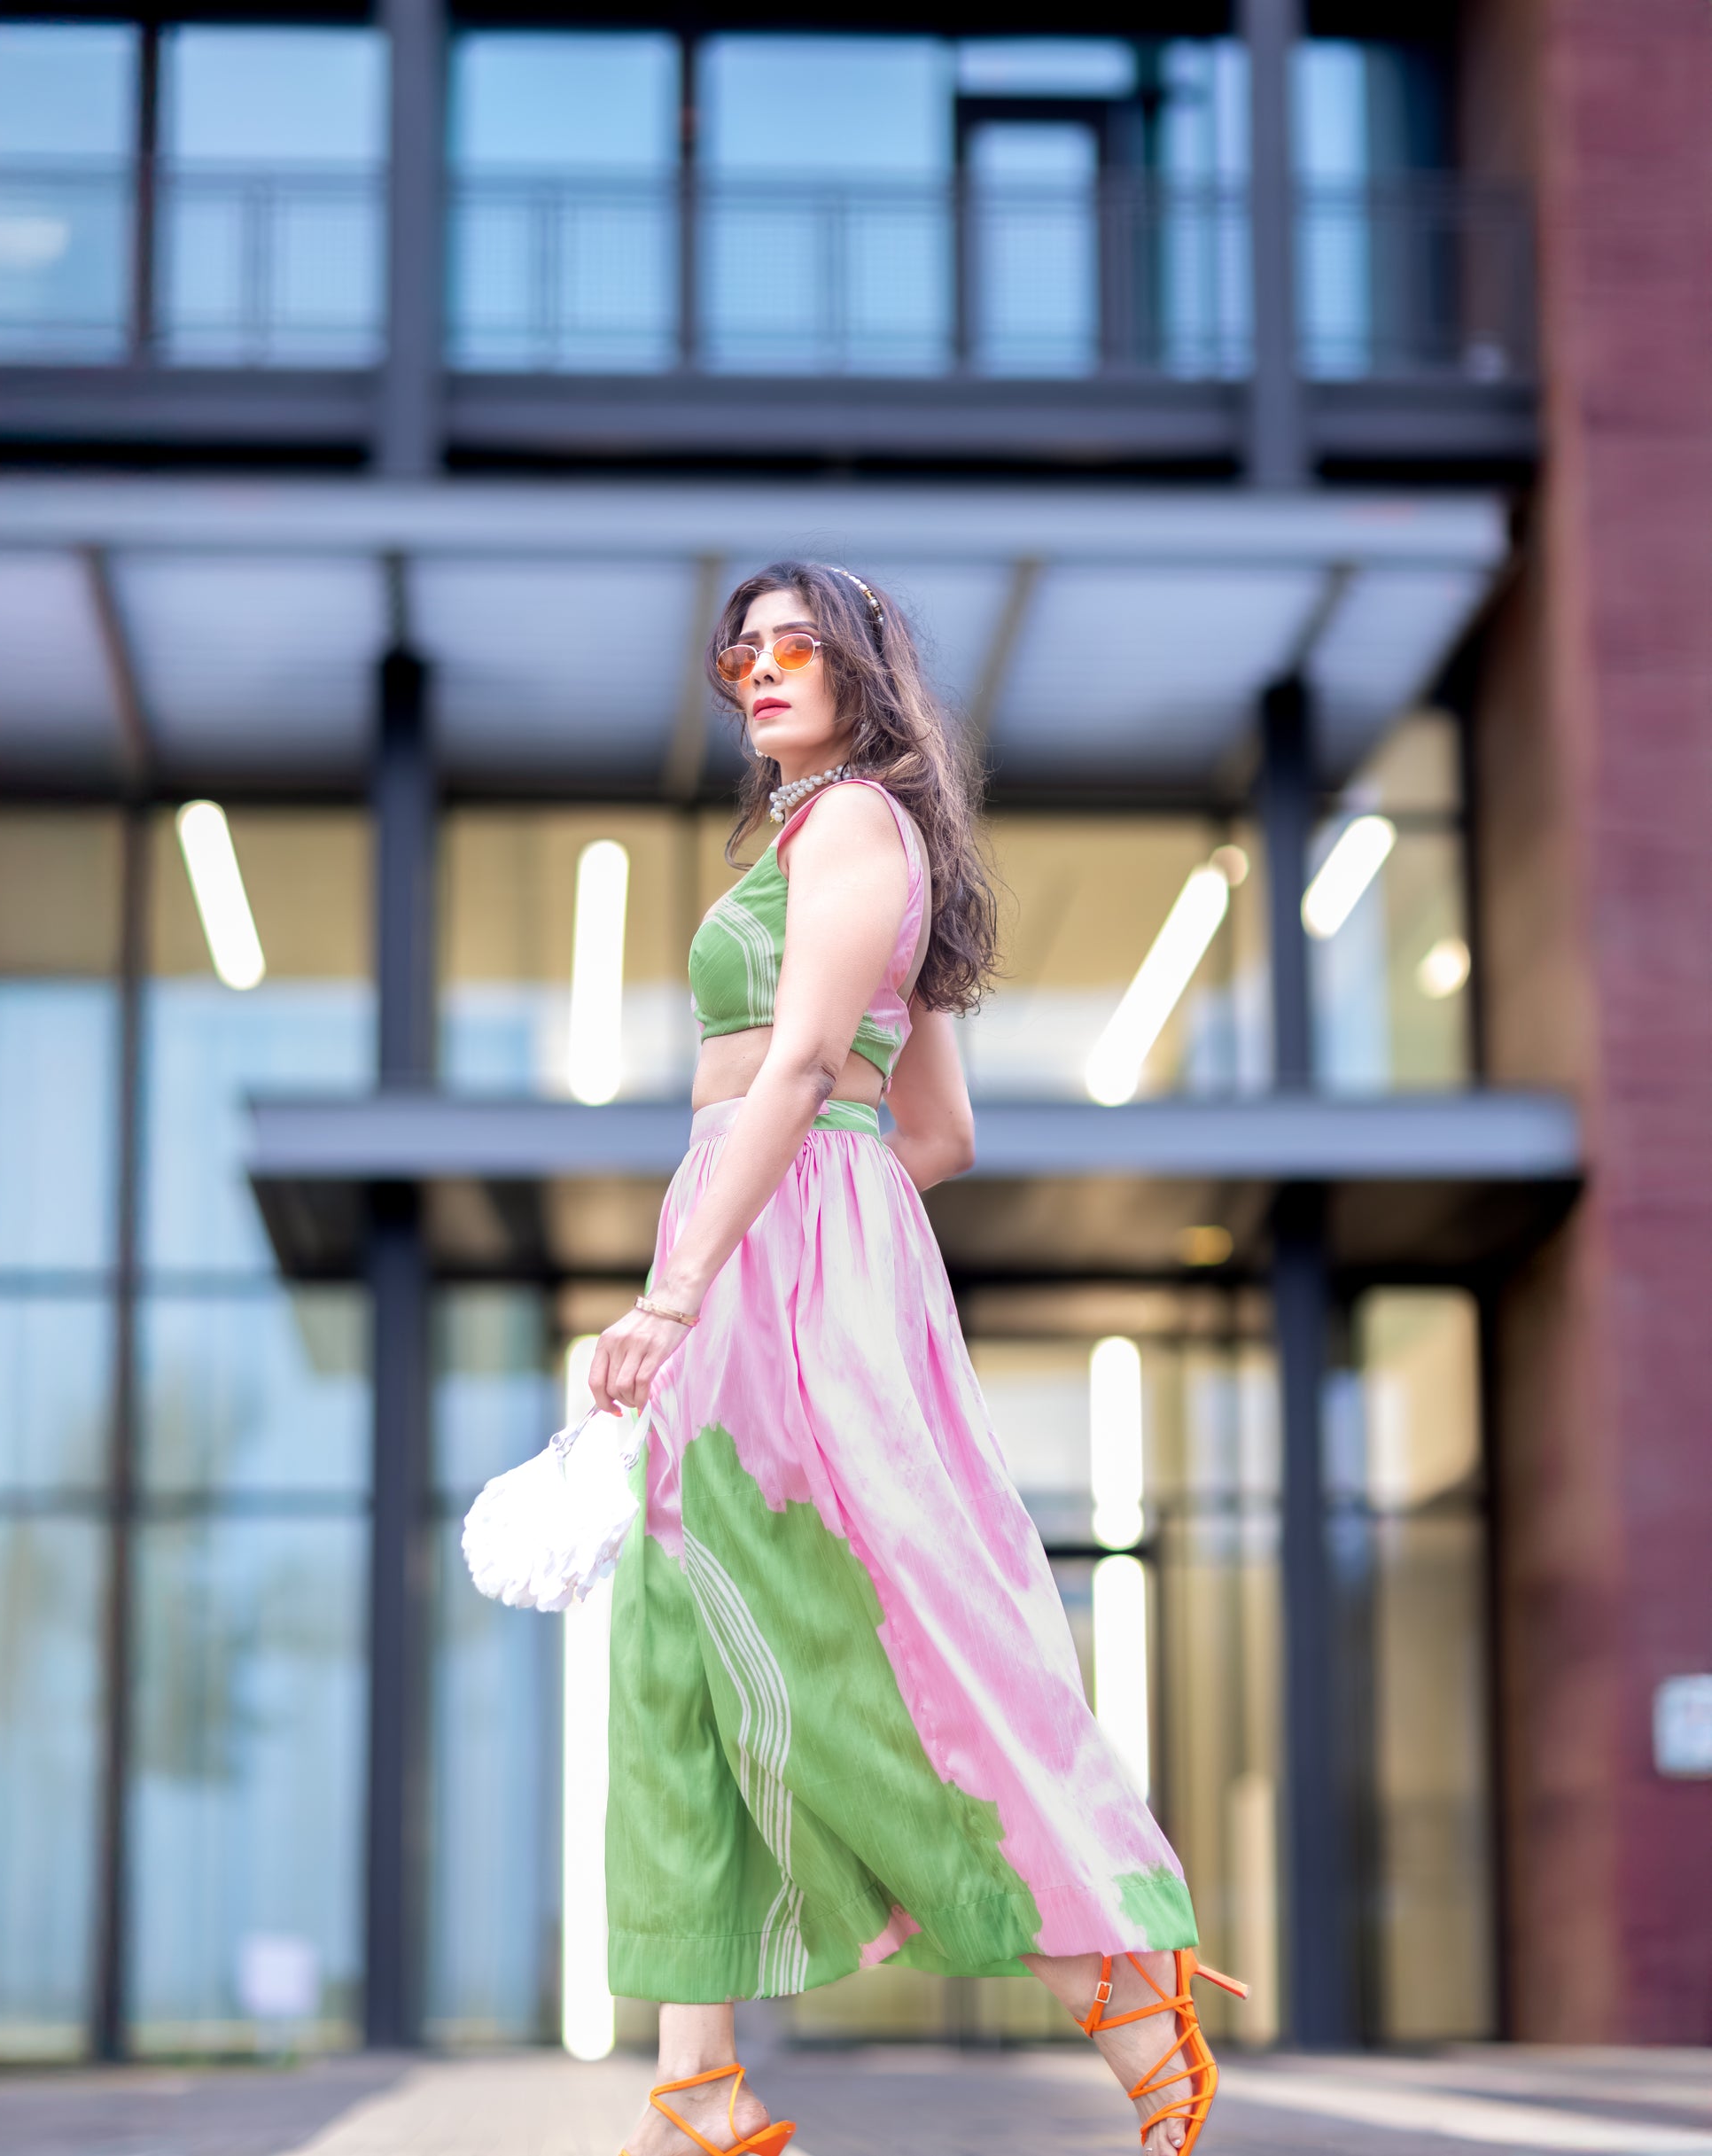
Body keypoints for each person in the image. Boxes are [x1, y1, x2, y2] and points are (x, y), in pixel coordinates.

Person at [589, 562, 1243, 2156]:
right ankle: (699, 2080)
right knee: (682, 1631)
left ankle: (1114, 1975)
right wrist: (817, 1204)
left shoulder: (853, 826)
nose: (755, 670)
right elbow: (932, 1126)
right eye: (735, 651)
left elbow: (811, 1062)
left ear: (861, 666)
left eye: (789, 644)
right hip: (789, 1226)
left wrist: (694, 1281)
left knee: (840, 1638)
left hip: (769, 1246)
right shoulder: (850, 838)